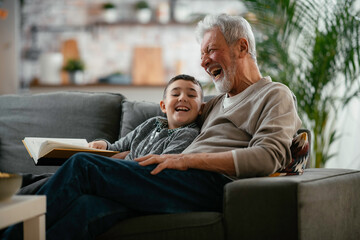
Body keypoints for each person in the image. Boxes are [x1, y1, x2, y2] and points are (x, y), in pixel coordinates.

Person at [4, 13, 301, 240]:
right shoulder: (216, 102)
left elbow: (266, 157)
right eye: (202, 56)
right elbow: (174, 116)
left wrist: (185, 160)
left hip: (208, 184)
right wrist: (110, 149)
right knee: (87, 208)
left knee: (84, 166)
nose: (204, 62)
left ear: (242, 46)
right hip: (175, 179)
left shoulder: (274, 95)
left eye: (211, 50)